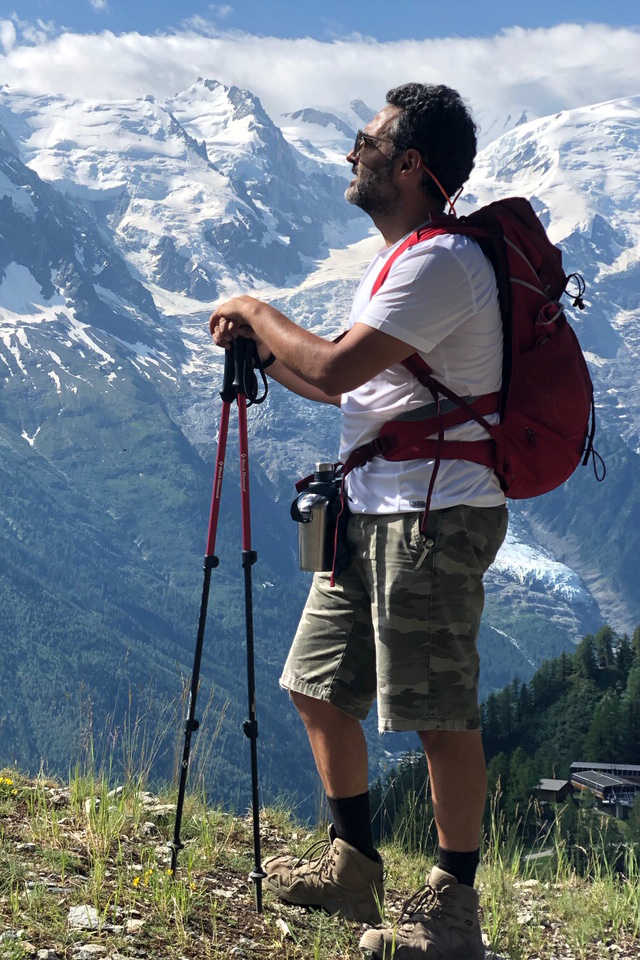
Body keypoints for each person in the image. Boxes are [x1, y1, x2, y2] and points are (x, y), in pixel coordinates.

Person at [209, 83, 507, 960]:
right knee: (315, 683)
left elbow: (336, 371)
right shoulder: (403, 259)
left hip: (434, 516)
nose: (352, 153)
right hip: (377, 509)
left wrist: (261, 309)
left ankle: (455, 917)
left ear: (411, 164)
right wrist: (262, 347)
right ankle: (354, 868)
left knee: (438, 714)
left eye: (366, 140)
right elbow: (348, 384)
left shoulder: (439, 263)